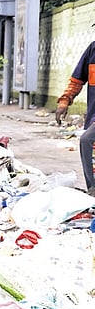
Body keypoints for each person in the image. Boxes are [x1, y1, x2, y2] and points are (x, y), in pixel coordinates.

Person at [56, 41, 95, 196]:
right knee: (88, 142)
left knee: (87, 139)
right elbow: (77, 80)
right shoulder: (93, 50)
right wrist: (65, 101)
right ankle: (93, 189)